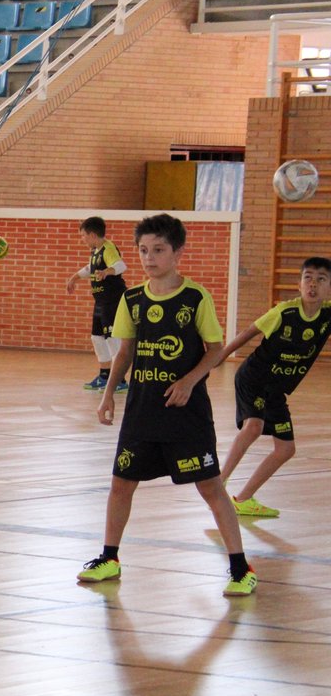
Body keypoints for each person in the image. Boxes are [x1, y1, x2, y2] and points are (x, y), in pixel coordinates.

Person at [76, 213, 257, 597]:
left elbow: (215, 350)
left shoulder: (195, 298)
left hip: (185, 415)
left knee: (210, 487)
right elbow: (125, 351)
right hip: (142, 412)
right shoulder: (133, 299)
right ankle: (109, 557)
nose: (149, 257)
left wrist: (190, 381)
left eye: (158, 250)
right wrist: (109, 393)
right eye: (143, 250)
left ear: (177, 253)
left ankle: (241, 567)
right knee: (121, 484)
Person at [216, 256, 331, 518]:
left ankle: (243, 499)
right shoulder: (284, 312)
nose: (313, 284)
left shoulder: (327, 314)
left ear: (328, 288)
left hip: (276, 389)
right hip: (253, 377)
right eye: (308, 278)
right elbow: (248, 332)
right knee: (254, 426)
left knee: (286, 449)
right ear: (299, 284)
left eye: (321, 279)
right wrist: (220, 356)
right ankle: (217, 482)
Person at [66, 216, 128, 392]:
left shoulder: (108, 248)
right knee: (97, 337)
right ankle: (104, 376)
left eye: (83, 236)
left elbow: (121, 265)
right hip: (101, 300)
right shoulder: (96, 251)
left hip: (113, 299)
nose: (82, 239)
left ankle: (120, 380)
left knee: (112, 338)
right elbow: (90, 268)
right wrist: (74, 278)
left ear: (92, 234)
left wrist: (108, 271)